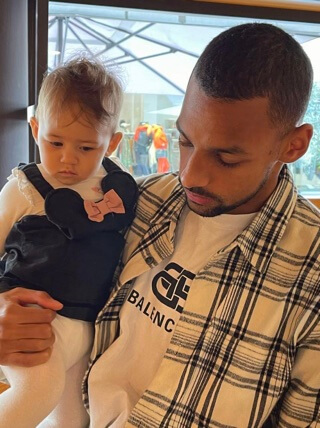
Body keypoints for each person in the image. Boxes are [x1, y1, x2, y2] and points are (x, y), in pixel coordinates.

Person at [0, 22, 319, 427]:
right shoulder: (134, 201)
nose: (190, 176)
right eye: (185, 141)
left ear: (294, 145)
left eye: (227, 157)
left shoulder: (311, 275)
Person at [0, 57, 138, 427]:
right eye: (55, 141)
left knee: (75, 421)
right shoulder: (24, 190)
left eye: (86, 148)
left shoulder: (119, 189)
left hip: (87, 330)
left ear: (113, 143)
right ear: (34, 129)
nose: (67, 159)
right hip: (31, 322)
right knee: (36, 392)